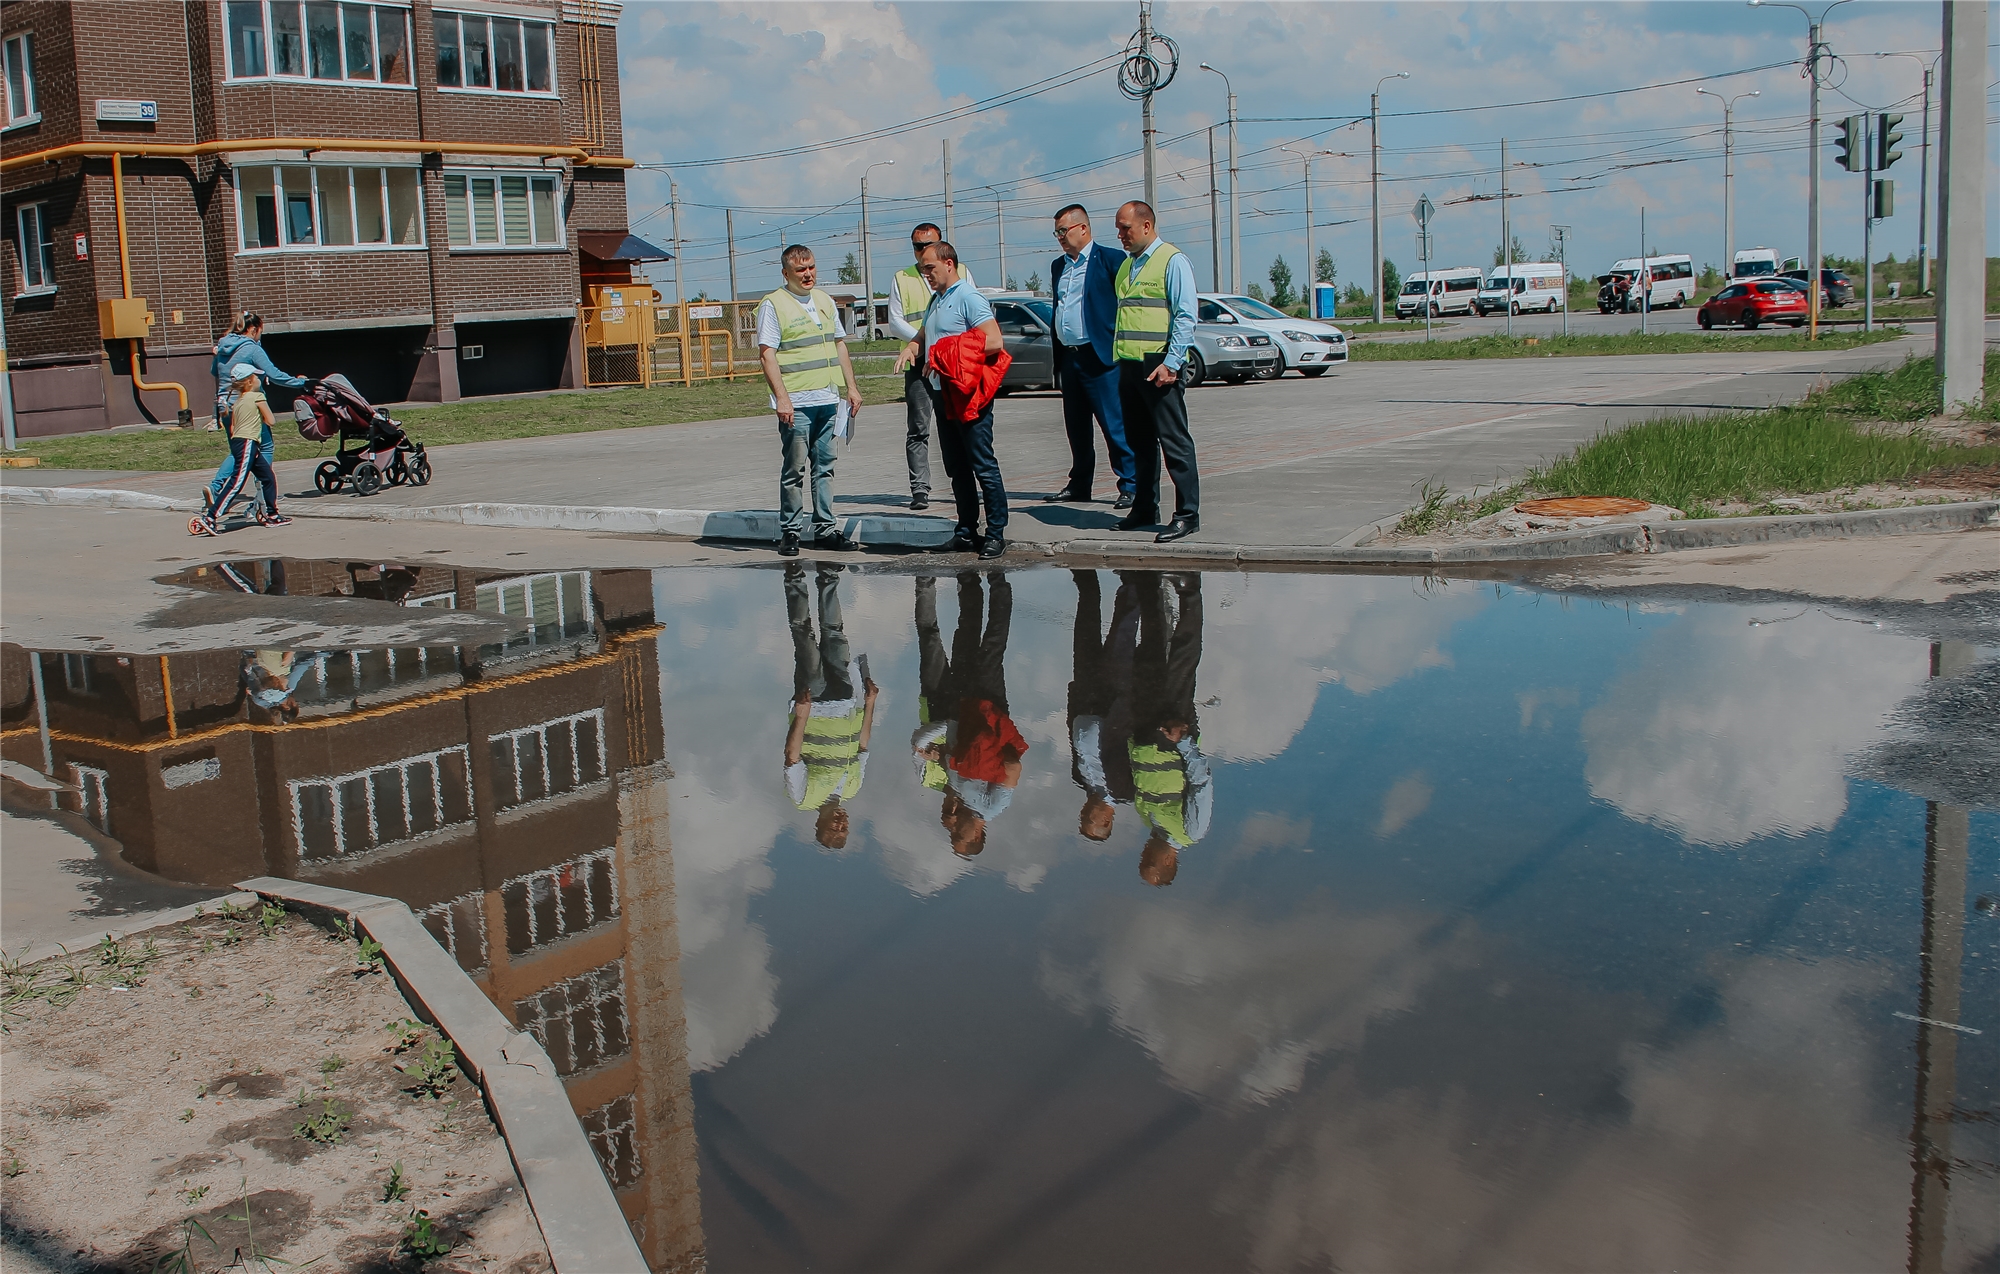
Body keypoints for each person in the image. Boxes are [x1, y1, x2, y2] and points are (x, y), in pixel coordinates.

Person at [894, 241, 1008, 559]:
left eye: (930, 267)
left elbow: (994, 340)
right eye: (922, 269)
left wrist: (944, 355)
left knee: (982, 464)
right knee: (956, 467)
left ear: (949, 264)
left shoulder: (968, 297)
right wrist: (912, 347)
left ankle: (996, 533)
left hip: (969, 395)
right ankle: (966, 531)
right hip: (943, 394)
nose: (926, 273)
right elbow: (925, 335)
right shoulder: (937, 299)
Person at [758, 245, 864, 558]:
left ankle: (826, 530)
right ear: (785, 273)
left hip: (827, 399)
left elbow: (839, 346)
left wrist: (851, 388)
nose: (808, 275)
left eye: (812, 268)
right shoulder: (773, 304)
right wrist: (782, 399)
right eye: (800, 270)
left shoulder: (824, 300)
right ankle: (790, 532)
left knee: (825, 467)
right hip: (797, 403)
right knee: (794, 470)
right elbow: (767, 355)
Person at [1111, 201, 1202, 543]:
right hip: (1130, 365)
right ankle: (1145, 508)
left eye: (1126, 228)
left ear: (1146, 226)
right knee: (1139, 443)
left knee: (1174, 443)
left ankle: (1187, 514)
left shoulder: (1172, 261)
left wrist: (1173, 362)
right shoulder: (1127, 265)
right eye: (1119, 229)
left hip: (1160, 365)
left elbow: (1184, 316)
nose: (1121, 235)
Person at [782, 562, 878, 849]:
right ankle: (828, 575)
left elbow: (792, 757)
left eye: (833, 830)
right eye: (844, 830)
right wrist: (870, 703)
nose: (841, 825)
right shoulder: (853, 788)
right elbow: (862, 746)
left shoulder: (803, 798)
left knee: (805, 637)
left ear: (819, 824)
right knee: (834, 633)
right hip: (846, 699)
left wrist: (801, 716)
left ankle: (794, 576)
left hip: (815, 704)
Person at [1125, 572, 1211, 885]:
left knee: (1148, 656)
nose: (1143, 853)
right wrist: (1184, 741)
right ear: (1168, 861)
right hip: (1173, 735)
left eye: (1142, 859)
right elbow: (1201, 781)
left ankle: (1149, 586)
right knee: (1181, 662)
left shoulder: (1148, 819)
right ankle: (1190, 589)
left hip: (1145, 729)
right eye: (1149, 860)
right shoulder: (1191, 831)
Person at [1046, 206, 1135, 508]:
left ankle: (1130, 483)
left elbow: (1125, 305)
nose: (1059, 237)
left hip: (1100, 356)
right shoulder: (1059, 265)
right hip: (1070, 357)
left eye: (1063, 230)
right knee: (1076, 426)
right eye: (1056, 232)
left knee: (1113, 423)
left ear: (1083, 229)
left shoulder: (1111, 259)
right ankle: (1080, 484)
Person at [886, 223, 976, 511]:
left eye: (928, 245)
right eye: (917, 246)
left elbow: (973, 316)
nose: (922, 251)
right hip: (918, 359)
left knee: (961, 424)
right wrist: (920, 343)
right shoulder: (902, 278)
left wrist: (945, 348)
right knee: (918, 427)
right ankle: (920, 488)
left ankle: (969, 482)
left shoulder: (961, 274)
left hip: (954, 362)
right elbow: (895, 320)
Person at [935, 573, 1025, 858]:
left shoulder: (960, 798)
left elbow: (952, 756)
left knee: (964, 641)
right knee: (992, 647)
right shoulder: (993, 807)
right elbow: (1012, 768)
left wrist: (951, 801)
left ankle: (968, 581)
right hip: (988, 714)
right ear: (976, 833)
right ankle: (999, 583)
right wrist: (989, 742)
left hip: (962, 713)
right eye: (957, 835)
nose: (953, 829)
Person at [205, 311, 307, 515]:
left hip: (225, 405)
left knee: (240, 450)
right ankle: (263, 493)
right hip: (248, 405)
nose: (261, 335)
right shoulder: (251, 348)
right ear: (253, 329)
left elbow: (215, 372)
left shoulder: (223, 346)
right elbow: (274, 374)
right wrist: (302, 383)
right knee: (265, 447)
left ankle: (216, 488)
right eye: (260, 331)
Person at [1068, 569, 1140, 841]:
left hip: (1085, 699)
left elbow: (1075, 742)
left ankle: (1086, 581)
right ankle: (1132, 584)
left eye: (1082, 817)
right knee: (1122, 637)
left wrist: (1073, 703)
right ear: (1108, 820)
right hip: (1113, 702)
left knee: (1084, 631)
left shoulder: (1080, 779)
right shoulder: (1125, 789)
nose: (1084, 812)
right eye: (1089, 818)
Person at [193, 365, 289, 534]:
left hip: (240, 442)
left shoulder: (238, 402)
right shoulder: (257, 396)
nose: (259, 380)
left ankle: (273, 515)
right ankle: (210, 517)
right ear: (250, 381)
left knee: (267, 477)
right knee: (237, 482)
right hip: (248, 442)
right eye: (257, 377)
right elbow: (271, 420)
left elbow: (233, 429)